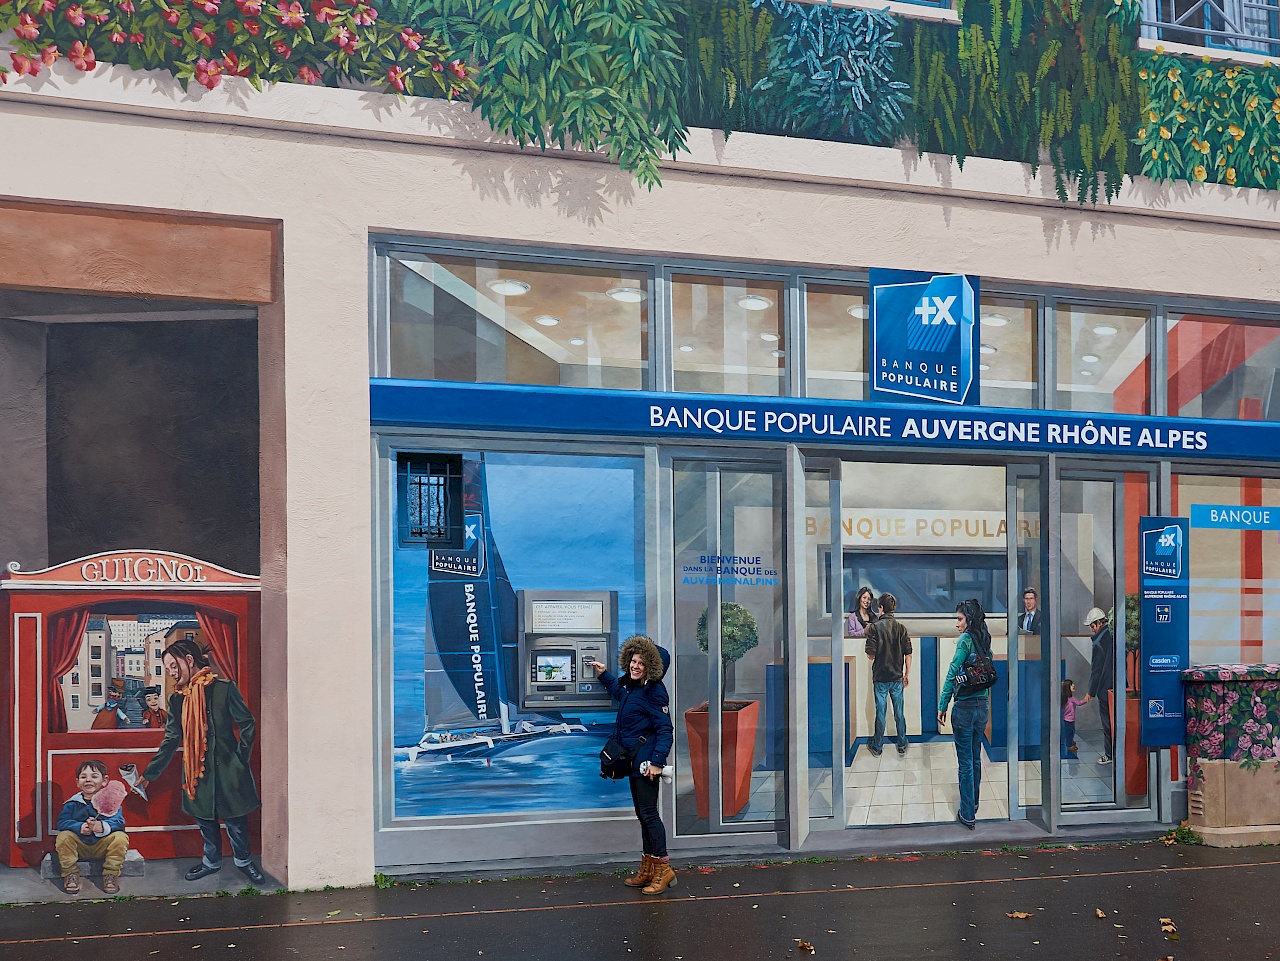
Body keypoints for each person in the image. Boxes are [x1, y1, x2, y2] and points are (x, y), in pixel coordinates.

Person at [135, 638, 265, 884]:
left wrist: (240, 759)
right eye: (168, 668)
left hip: (229, 768)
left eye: (174, 666)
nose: (172, 672)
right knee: (205, 819)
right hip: (196, 769)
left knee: (236, 819)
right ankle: (211, 862)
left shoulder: (224, 688)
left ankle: (244, 862)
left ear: (190, 661)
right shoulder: (177, 700)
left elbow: (247, 723)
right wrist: (150, 774)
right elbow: (172, 738)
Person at [589, 635, 675, 896]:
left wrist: (658, 763)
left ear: (652, 666)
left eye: (641, 663)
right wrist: (604, 675)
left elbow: (665, 730)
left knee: (649, 815)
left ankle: (664, 867)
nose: (635, 666)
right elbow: (619, 692)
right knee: (643, 815)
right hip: (635, 764)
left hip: (647, 764)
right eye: (633, 661)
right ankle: (648, 868)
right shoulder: (632, 687)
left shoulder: (654, 691)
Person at [937, 599, 993, 830]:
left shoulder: (966, 640)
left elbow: (952, 672)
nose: (957, 624)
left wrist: (942, 704)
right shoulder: (984, 640)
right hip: (983, 708)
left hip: (965, 709)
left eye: (959, 619)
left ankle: (967, 813)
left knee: (965, 762)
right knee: (975, 756)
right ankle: (975, 803)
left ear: (968, 619)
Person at [55, 760, 128, 895]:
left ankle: (110, 874)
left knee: (120, 838)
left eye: (94, 776)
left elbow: (119, 823)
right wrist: (79, 827)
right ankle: (70, 873)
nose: (88, 780)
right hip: (79, 847)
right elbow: (61, 823)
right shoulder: (72, 804)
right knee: (64, 837)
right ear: (77, 782)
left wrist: (102, 827)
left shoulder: (112, 803)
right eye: (83, 777)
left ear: (105, 780)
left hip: (103, 846)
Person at [864, 592, 912, 757]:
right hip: (897, 677)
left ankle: (877, 746)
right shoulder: (901, 628)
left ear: (881, 608)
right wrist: (907, 673)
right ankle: (901, 744)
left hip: (880, 677)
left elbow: (870, 654)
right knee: (899, 712)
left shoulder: (874, 628)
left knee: (880, 712)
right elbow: (908, 653)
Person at [1085, 607, 1116, 764]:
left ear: (1098, 623)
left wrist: (1090, 691)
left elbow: (1096, 669)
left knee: (1107, 723)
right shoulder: (1112, 636)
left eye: (1092, 625)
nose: (1092, 629)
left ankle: (1109, 754)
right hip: (1117, 686)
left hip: (1105, 688)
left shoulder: (1098, 642)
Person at [1061, 679, 1088, 758]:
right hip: (1069, 720)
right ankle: (1069, 745)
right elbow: (1079, 703)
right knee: (1070, 732)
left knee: (1071, 732)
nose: (1073, 686)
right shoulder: (1071, 699)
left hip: (1069, 719)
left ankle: (1070, 742)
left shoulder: (1068, 699)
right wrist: (1086, 699)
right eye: (1071, 685)